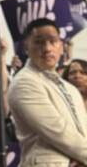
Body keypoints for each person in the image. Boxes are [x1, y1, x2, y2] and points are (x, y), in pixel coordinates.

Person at [7, 18, 87, 164]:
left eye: (53, 41)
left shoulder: (70, 88)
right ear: (26, 48)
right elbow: (58, 131)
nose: (47, 48)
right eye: (39, 42)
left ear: (61, 47)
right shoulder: (24, 83)